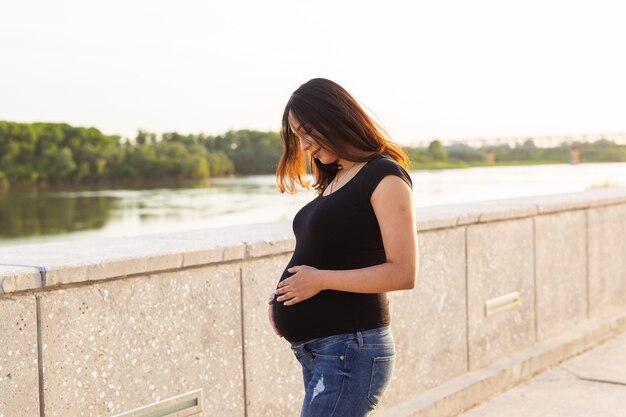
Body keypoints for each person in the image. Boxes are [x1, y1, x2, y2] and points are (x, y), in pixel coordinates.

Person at [268, 78, 418, 417]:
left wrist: (318, 281)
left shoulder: (384, 175)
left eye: (308, 131)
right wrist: (285, 294)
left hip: (351, 348)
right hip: (325, 350)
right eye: (297, 136)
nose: (304, 146)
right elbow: (335, 251)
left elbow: (404, 272)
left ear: (334, 116)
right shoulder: (336, 178)